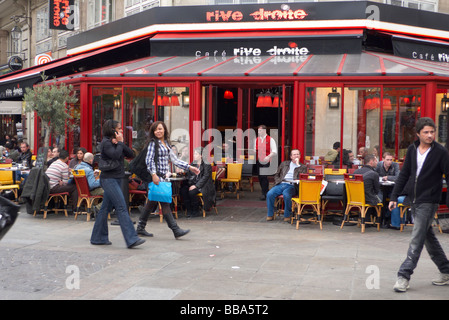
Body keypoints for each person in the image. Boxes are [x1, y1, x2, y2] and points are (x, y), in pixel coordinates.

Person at [389, 117, 449, 292]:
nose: (430, 135)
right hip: (414, 199)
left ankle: (403, 276)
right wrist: (394, 196)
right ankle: (446, 271)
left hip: (429, 201)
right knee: (427, 236)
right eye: (426, 132)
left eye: (432, 132)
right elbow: (405, 174)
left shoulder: (441, 152)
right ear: (418, 134)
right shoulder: (412, 149)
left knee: (416, 238)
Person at [136, 121, 200, 238]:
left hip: (163, 178)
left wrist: (190, 167)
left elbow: (175, 160)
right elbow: (149, 160)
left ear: (164, 130)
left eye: (160, 129)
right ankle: (176, 230)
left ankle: (140, 227)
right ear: (153, 132)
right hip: (157, 177)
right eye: (155, 130)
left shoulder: (166, 143)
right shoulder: (152, 143)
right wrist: (154, 174)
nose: (158, 131)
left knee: (151, 202)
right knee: (165, 203)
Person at [90, 119, 145, 249]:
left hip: (116, 178)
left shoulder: (115, 143)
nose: (121, 131)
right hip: (109, 179)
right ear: (112, 130)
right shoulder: (105, 143)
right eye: (119, 129)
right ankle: (131, 238)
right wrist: (119, 143)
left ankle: (98, 238)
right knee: (121, 207)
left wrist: (121, 143)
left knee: (105, 209)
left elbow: (130, 154)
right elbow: (114, 156)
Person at [266, 149, 307, 222]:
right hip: (281, 184)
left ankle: (287, 215)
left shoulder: (303, 167)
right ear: (291, 156)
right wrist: (278, 181)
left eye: (298, 154)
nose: (296, 156)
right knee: (270, 194)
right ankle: (270, 214)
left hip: (292, 186)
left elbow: (303, 178)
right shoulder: (284, 164)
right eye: (294, 154)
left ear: (300, 156)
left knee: (286, 195)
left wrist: (298, 165)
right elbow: (277, 174)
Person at [180, 147, 216, 218]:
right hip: (194, 184)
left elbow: (205, 177)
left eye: (196, 154)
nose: (194, 155)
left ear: (201, 155)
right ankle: (189, 210)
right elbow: (188, 172)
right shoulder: (193, 163)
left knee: (192, 192)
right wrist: (183, 172)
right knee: (183, 190)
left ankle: (196, 210)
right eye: (194, 154)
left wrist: (196, 186)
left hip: (204, 186)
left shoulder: (206, 164)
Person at [254, 125, 277, 200]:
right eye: (258, 131)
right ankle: (265, 191)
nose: (259, 132)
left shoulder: (270, 139)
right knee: (260, 177)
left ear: (264, 131)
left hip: (266, 160)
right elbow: (255, 148)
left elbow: (274, 151)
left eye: (260, 131)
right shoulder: (257, 139)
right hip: (259, 160)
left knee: (264, 176)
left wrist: (268, 156)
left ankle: (264, 193)